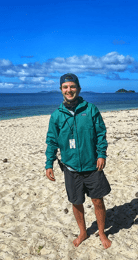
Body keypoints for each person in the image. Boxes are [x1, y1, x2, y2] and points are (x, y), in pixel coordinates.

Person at [45, 73, 111, 249]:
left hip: (92, 166)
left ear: (78, 89)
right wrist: (49, 164)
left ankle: (102, 232)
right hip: (70, 167)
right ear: (61, 90)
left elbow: (101, 134)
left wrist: (101, 154)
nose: (69, 90)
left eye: (72, 86)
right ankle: (83, 232)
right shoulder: (56, 116)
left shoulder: (90, 109)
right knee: (76, 202)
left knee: (98, 200)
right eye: (65, 87)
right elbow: (52, 141)